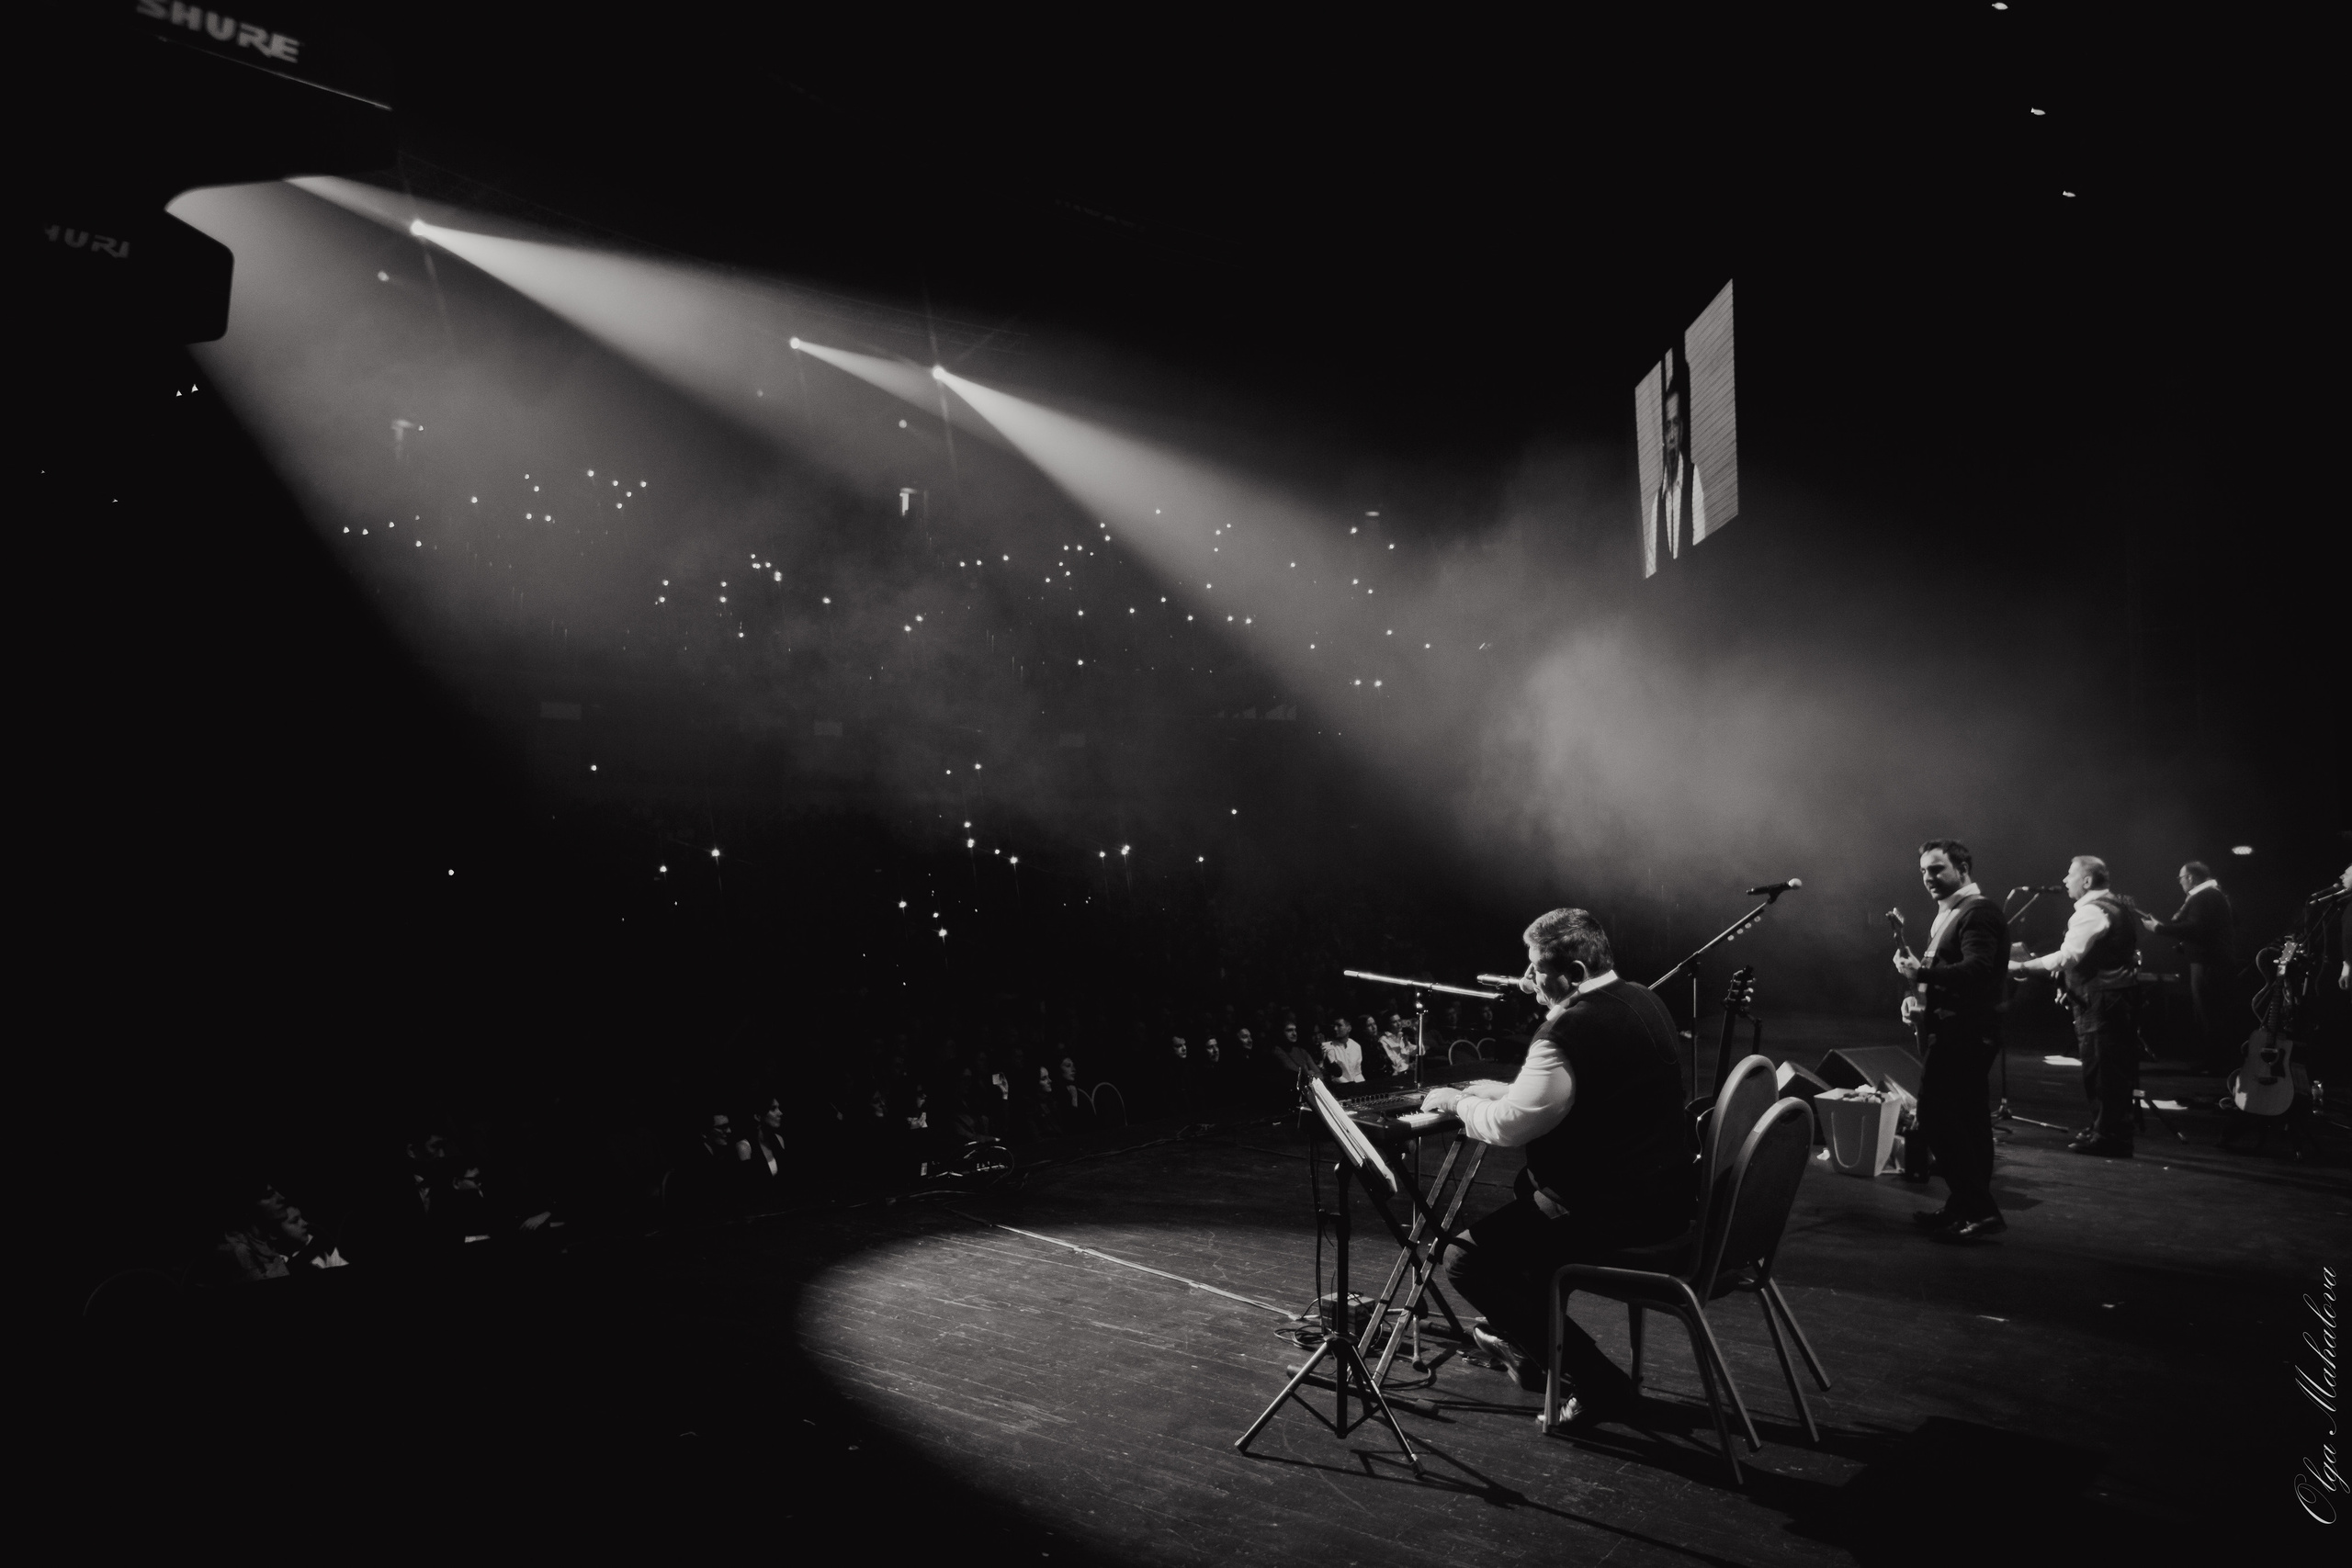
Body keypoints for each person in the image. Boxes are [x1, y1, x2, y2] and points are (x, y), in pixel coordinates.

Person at [1419, 908, 1695, 1423]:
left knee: (1464, 1258)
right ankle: (1528, 1345)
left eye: (1536, 970)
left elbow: (1510, 1127)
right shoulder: (1646, 999)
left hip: (1614, 1213)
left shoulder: (1569, 1029)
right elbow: (1598, 1092)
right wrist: (1508, 1091)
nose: (1528, 982)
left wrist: (1456, 1103)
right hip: (1669, 1198)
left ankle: (1598, 1384)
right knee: (1530, 1197)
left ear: (1575, 973)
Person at [1893, 839, 2011, 1240]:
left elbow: (1977, 969)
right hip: (1959, 1029)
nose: (1928, 878)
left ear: (1963, 868)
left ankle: (1980, 1209)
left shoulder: (1978, 913)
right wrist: (1916, 999)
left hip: (1966, 1032)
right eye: (1924, 870)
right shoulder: (1955, 913)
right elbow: (1946, 973)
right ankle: (1964, 1206)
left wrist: (1921, 976)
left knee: (1937, 1117)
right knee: (1971, 1121)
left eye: (1938, 869)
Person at [2012, 855, 2143, 1156]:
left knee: (2103, 1069)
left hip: (2103, 1000)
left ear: (2086, 881)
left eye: (2070, 874)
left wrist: (2021, 968)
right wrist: (2068, 983)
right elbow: (2095, 956)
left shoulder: (2091, 912)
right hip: (2112, 997)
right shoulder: (2113, 905)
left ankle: (2111, 1136)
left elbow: (2068, 956)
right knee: (2105, 1068)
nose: (2064, 880)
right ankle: (2103, 1128)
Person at [2141, 861, 2238, 1073]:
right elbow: (2206, 930)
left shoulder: (2205, 896)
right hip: (2213, 961)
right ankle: (2216, 1061)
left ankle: (2217, 1063)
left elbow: (2195, 928)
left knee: (2209, 1013)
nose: (2180, 882)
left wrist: (2159, 929)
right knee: (2211, 1012)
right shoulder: (2213, 895)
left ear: (2191, 878)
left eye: (2181, 878)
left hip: (2209, 963)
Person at [1646, 347, 1709, 573]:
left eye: (1675, 424)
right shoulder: (1658, 501)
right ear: (1663, 436)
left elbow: (1701, 538)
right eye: (1666, 426)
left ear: (1681, 429)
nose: (1671, 433)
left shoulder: (1694, 478)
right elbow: (1651, 565)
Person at [1321, 1016, 1366, 1085]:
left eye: (1339, 1026)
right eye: (1334, 1026)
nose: (1335, 1029)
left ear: (1349, 1028)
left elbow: (1357, 1073)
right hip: (1339, 1087)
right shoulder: (1328, 1046)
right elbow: (1334, 1074)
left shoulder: (1356, 1046)